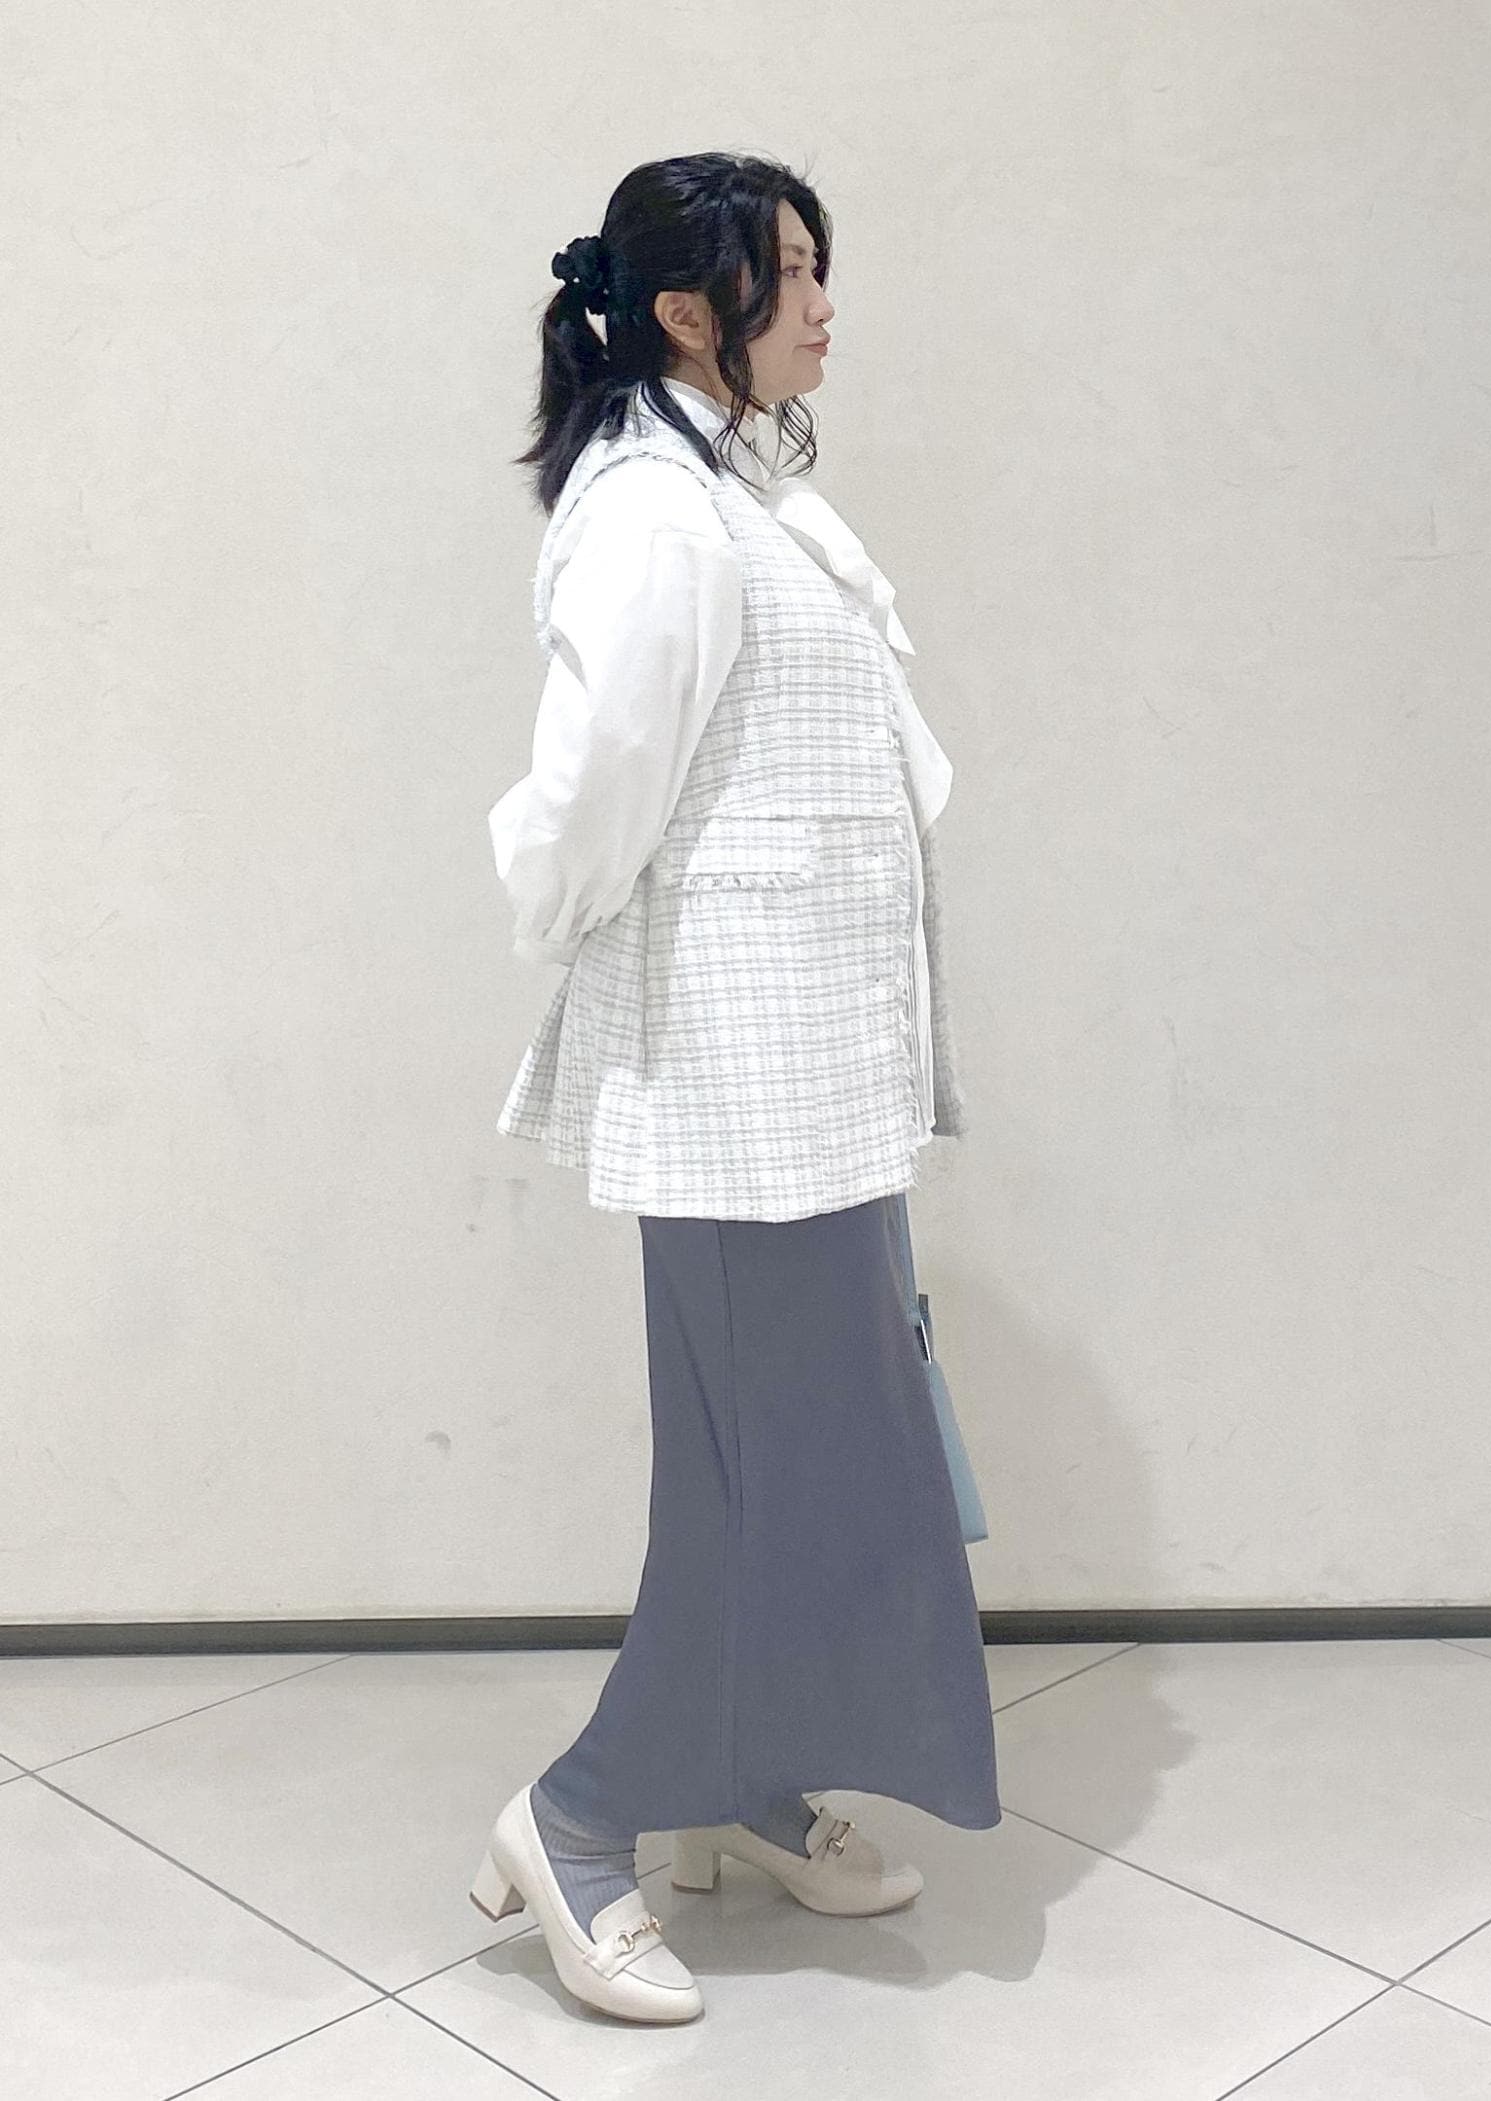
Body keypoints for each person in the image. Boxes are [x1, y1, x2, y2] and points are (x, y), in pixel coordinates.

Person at [468, 151, 1001, 2025]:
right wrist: (560, 922)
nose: (829, 304)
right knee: (777, 1475)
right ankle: (582, 1814)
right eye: (794, 273)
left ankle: (744, 1782)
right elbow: (589, 797)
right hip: (731, 1087)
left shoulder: (737, 490)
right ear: (691, 316)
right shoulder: (658, 514)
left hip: (806, 1083)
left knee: (791, 1459)